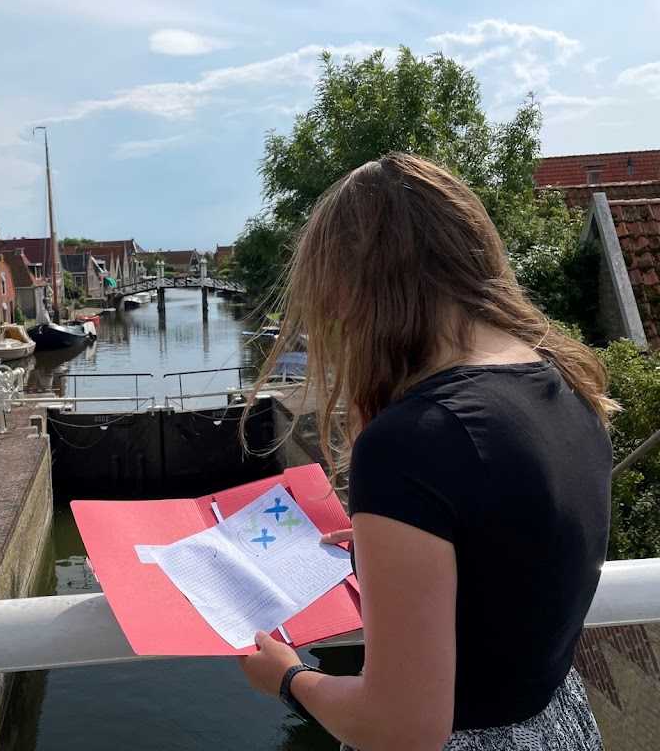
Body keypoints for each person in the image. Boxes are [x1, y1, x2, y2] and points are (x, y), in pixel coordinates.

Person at [238, 152, 613, 750]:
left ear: (353, 289)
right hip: (558, 727)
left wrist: (289, 679)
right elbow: (514, 552)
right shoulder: (565, 384)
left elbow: (402, 728)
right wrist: (405, 541)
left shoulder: (411, 441)